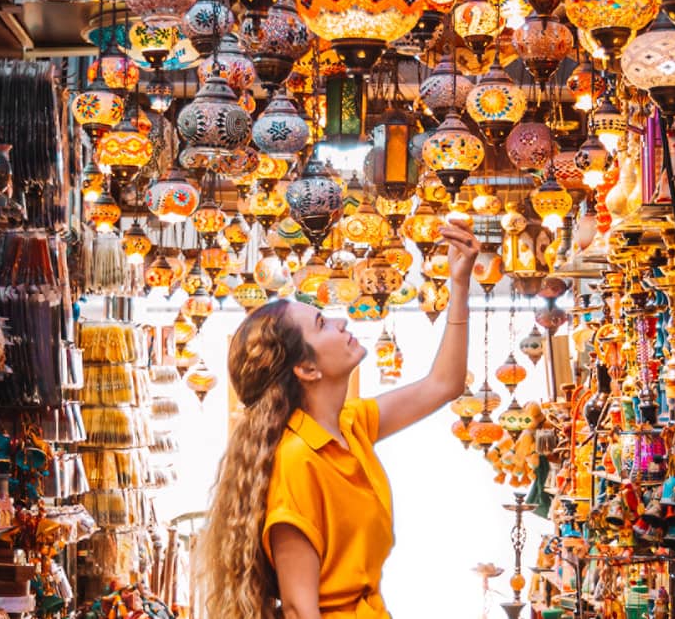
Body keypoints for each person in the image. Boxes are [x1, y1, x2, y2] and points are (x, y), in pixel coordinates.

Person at [194, 222, 482, 619]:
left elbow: (444, 384)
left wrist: (460, 284)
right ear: (307, 369)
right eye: (322, 324)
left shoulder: (351, 425)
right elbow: (299, 609)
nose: (341, 322)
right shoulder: (297, 460)